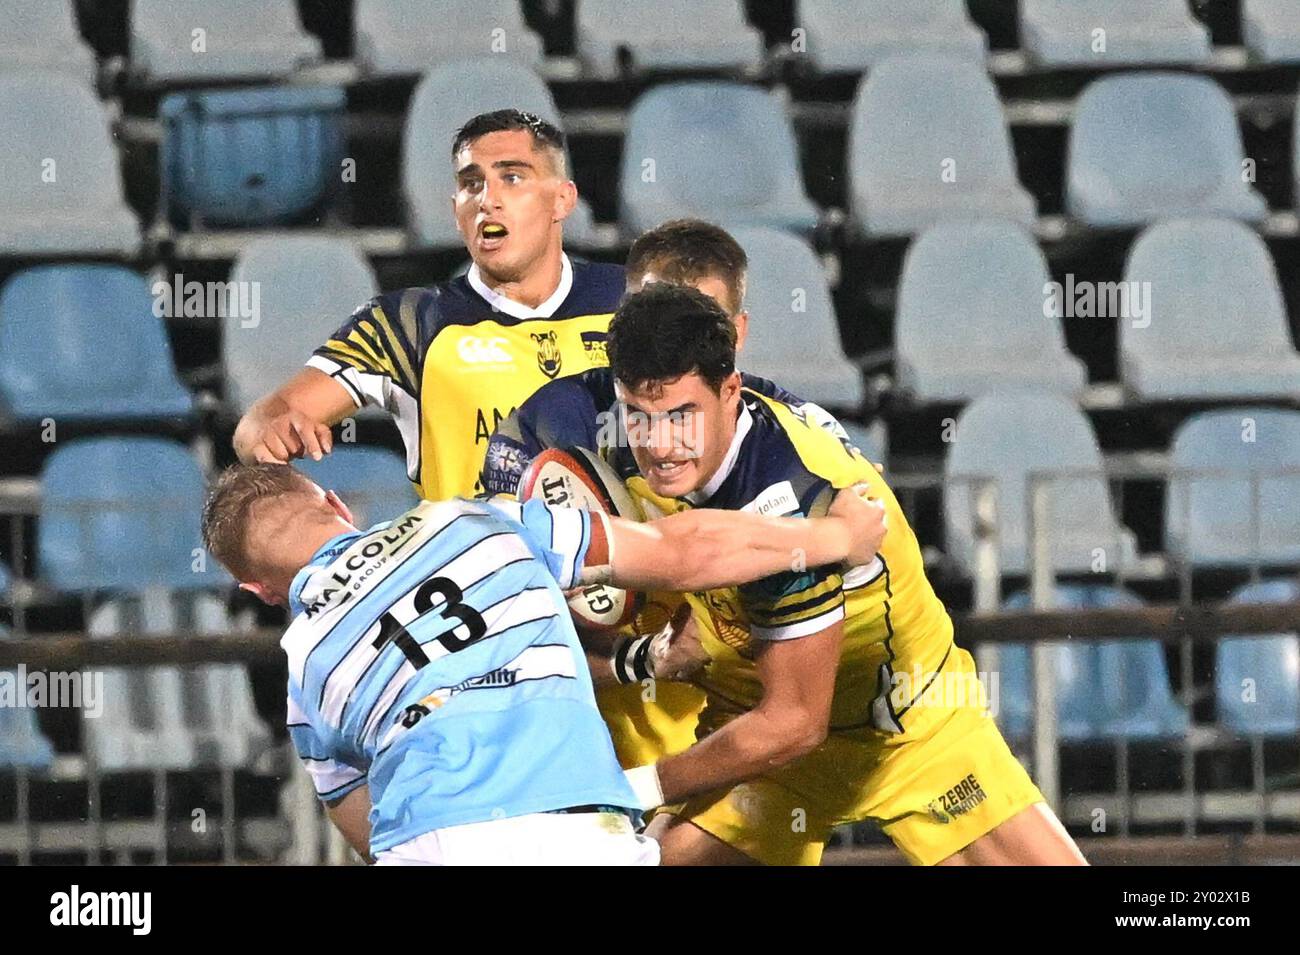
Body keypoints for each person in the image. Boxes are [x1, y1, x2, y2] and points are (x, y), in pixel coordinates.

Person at [602, 285, 1087, 867]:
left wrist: (632, 791)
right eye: (639, 416)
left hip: (907, 727)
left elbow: (793, 725)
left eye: (680, 417)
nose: (658, 444)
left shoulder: (789, 503)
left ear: (731, 392)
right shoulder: (679, 414)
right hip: (760, 727)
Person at [199, 462, 886, 865]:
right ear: (337, 505)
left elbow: (365, 825)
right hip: (567, 832)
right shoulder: (475, 521)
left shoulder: (304, 672)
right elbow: (683, 550)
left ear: (258, 589)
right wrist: (832, 535)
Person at [483, 219, 860, 767]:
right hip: (582, 743)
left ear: (737, 335)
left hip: (734, 742)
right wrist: (637, 658)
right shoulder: (543, 429)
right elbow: (505, 621)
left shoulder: (802, 449)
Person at [233, 109, 622, 500]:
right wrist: (271, 431)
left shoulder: (632, 300)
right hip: (477, 559)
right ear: (457, 211)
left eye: (512, 177)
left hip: (624, 555)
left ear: (561, 200)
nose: (488, 200)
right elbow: (260, 423)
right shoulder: (407, 322)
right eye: (472, 184)